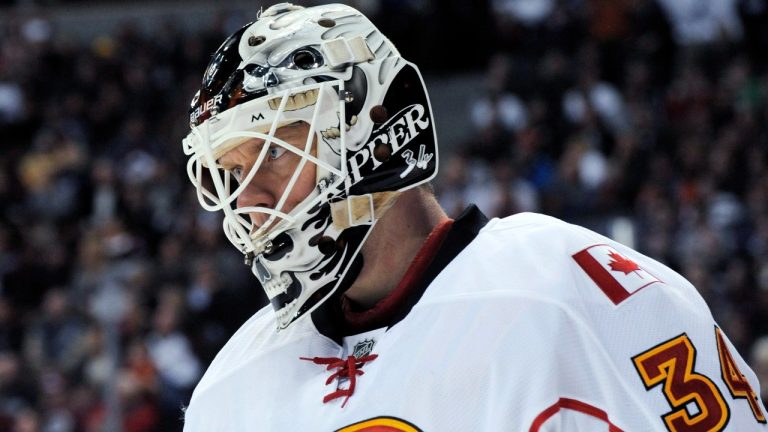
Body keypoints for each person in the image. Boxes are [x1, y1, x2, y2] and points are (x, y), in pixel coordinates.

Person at [181, 3, 766, 431]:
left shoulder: (567, 289)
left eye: (275, 151)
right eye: (231, 172)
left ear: (378, 127)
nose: (249, 197)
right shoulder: (230, 389)